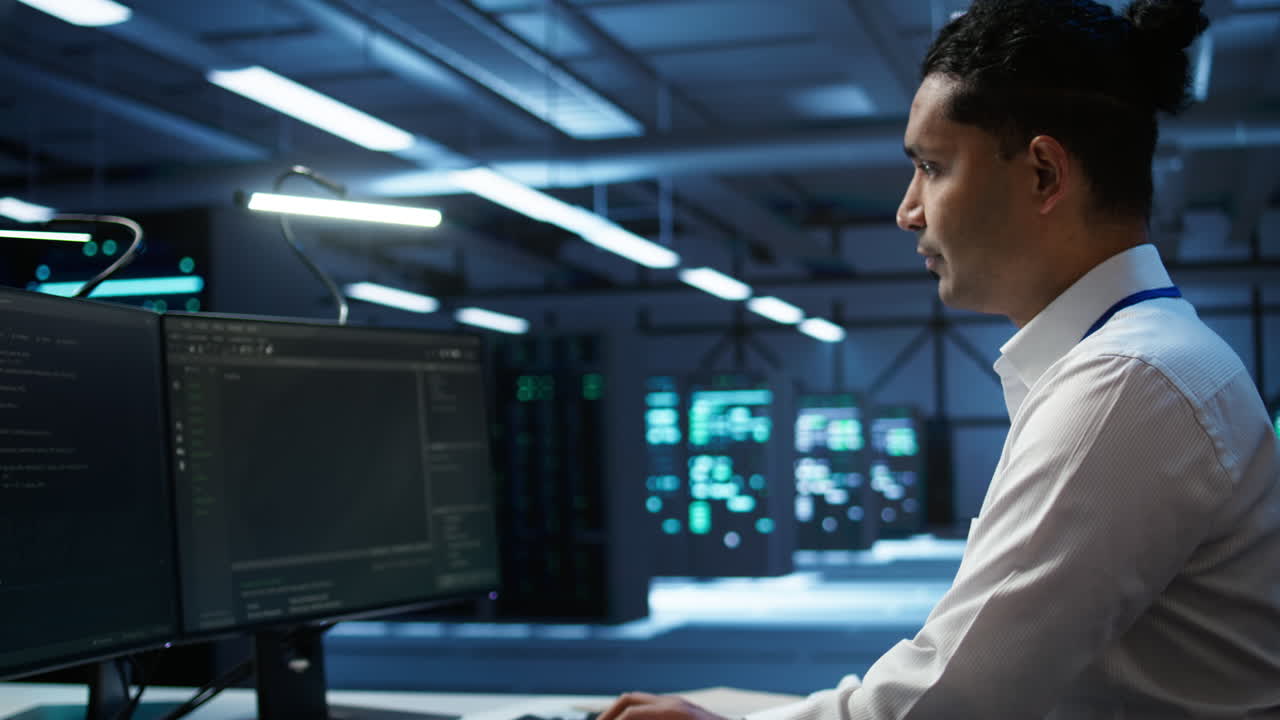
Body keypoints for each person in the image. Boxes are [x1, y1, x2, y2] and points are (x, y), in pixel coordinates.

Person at [598, 0, 1280, 717]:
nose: (908, 210)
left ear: (1044, 174)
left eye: (931, 166)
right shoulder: (1145, 360)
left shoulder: (1126, 383)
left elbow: (952, 699)